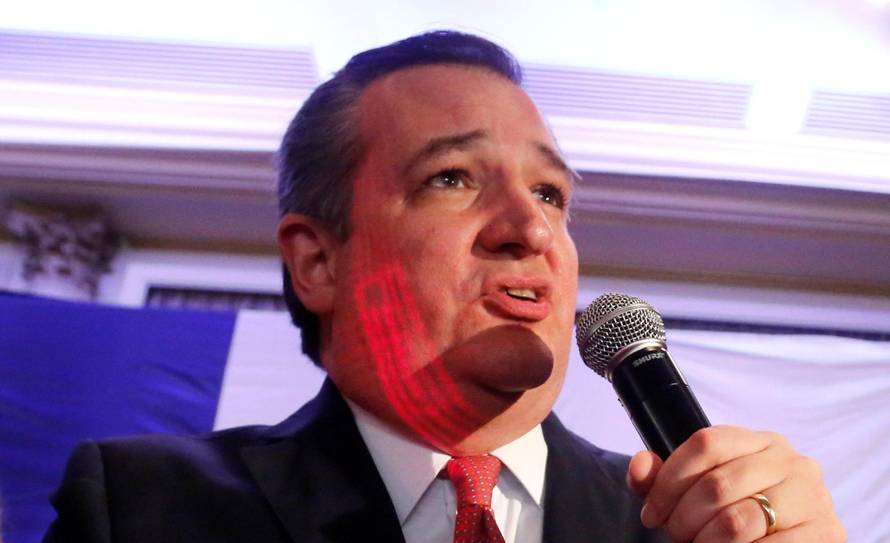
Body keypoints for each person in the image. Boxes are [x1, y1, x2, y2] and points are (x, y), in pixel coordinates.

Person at [43, 31, 845, 543]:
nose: (529, 229)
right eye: (452, 177)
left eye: (550, 195)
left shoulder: (692, 530)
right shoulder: (142, 507)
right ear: (318, 261)